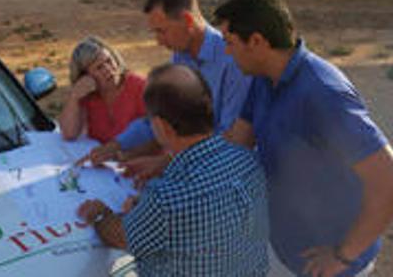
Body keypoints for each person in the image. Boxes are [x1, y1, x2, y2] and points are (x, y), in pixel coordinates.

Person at [214, 0, 393, 277]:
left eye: (229, 42)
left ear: (256, 41)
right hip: (280, 248)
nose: (226, 52)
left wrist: (343, 257)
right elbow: (237, 143)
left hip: (325, 268)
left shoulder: (323, 94)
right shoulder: (263, 79)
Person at [77, 64, 268, 277]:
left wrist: (100, 214)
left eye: (150, 121)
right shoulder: (249, 161)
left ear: (162, 126)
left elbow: (120, 236)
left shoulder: (164, 198)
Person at [85, 0, 253, 184]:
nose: (158, 41)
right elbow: (160, 115)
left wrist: (168, 161)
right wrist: (116, 145)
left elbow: (232, 137)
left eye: (162, 31)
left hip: (224, 178)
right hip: (189, 164)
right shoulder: (181, 56)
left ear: (188, 20)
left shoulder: (232, 59)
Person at [58, 36, 146, 144]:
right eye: (99, 67)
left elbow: (157, 138)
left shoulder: (140, 88)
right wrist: (74, 96)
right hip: (105, 158)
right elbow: (69, 133)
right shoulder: (88, 96)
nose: (108, 69)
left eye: (109, 61)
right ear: (85, 76)